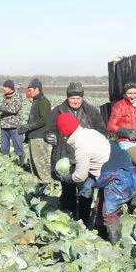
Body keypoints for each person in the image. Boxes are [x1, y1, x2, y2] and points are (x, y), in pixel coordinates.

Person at [54, 113, 136, 244]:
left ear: (64, 133)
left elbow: (80, 176)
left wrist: (66, 177)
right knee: (99, 206)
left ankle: (116, 245)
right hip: (118, 165)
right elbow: (97, 154)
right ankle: (102, 236)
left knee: (109, 213)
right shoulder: (89, 132)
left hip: (117, 175)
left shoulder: (81, 147)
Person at [45, 82, 108, 219]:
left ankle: (84, 219)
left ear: (82, 97)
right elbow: (50, 129)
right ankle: (69, 217)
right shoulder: (57, 111)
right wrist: (50, 136)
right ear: (67, 97)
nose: (75, 101)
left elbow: (102, 130)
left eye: (78, 98)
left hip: (85, 158)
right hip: (64, 157)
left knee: (85, 190)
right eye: (72, 98)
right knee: (67, 191)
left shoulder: (91, 111)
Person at [17, 78, 52, 181]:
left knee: (41, 165)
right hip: (33, 137)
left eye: (31, 90)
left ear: (37, 89)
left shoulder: (43, 102)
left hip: (39, 137)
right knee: (34, 164)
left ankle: (47, 184)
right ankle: (40, 186)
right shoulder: (36, 101)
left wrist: (28, 126)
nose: (29, 92)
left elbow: (44, 120)